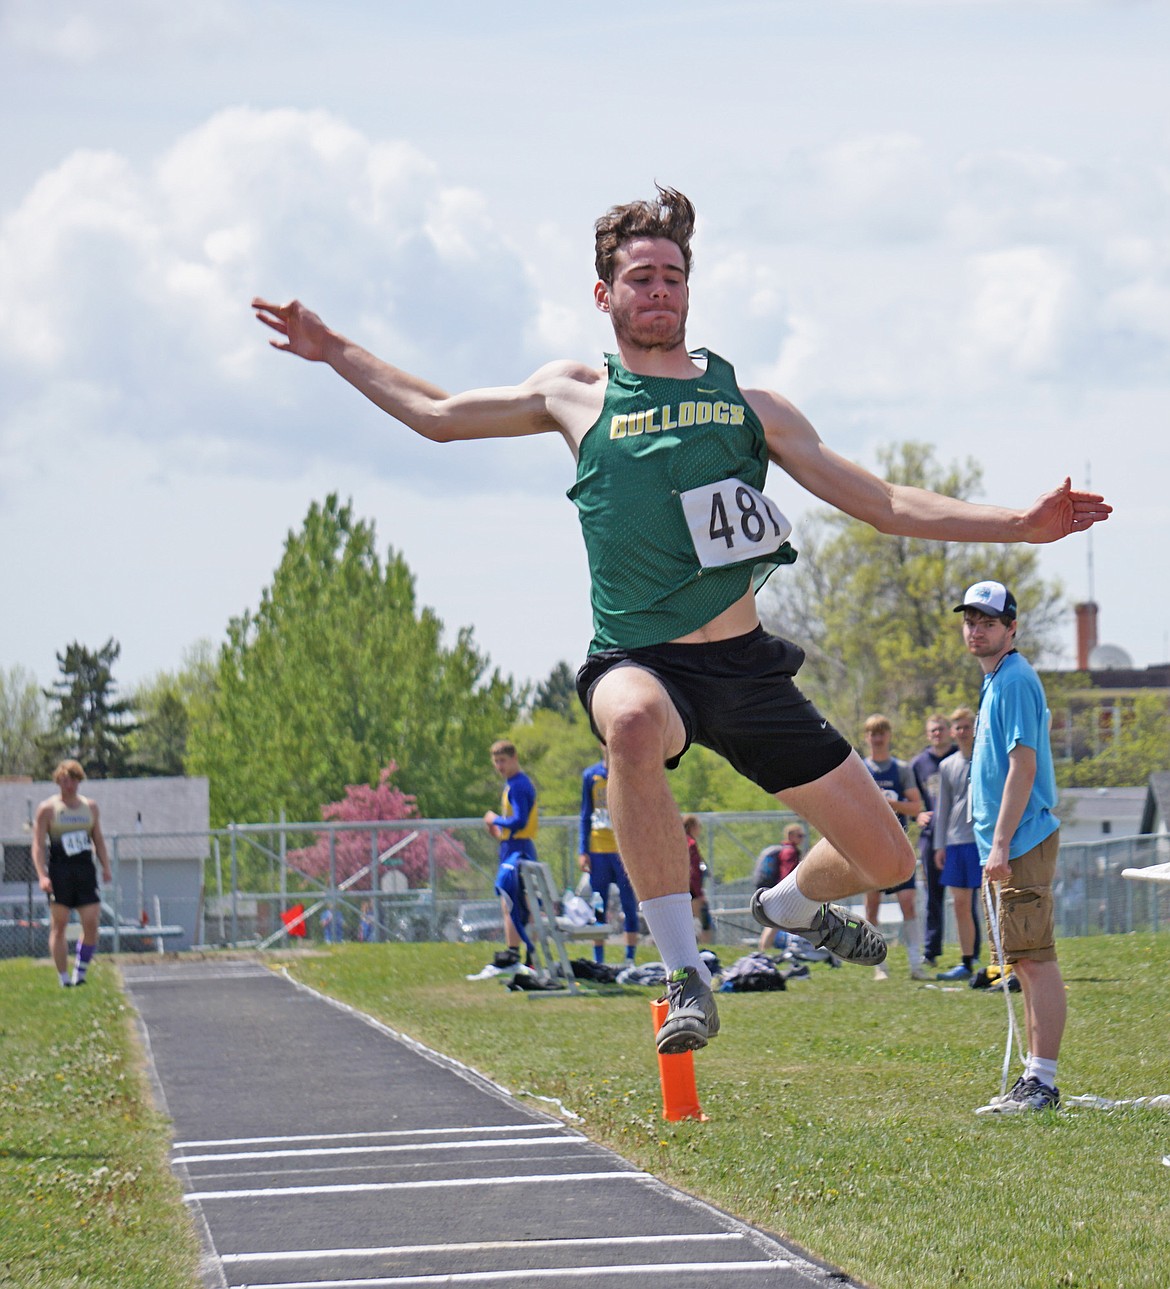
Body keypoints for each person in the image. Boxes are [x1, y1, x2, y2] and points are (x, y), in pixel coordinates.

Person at [253, 184, 1109, 1056]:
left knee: (889, 859)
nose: (658, 290)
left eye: (672, 276)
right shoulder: (576, 394)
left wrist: (1020, 524)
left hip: (743, 666)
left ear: (689, 291)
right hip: (640, 659)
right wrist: (335, 352)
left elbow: (884, 500)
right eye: (639, 277)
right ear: (605, 295)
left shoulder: (752, 406)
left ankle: (790, 905)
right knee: (626, 721)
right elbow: (436, 417)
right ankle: (683, 972)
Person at [958, 581, 1065, 1112]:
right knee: (1022, 960)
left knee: (1035, 959)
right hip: (1004, 843)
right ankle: (1033, 1079)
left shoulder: (1016, 679)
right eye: (970, 621)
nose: (976, 630)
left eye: (987, 622)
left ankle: (1042, 1081)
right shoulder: (996, 680)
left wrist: (1000, 844)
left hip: (1021, 840)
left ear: (1011, 628)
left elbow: (1023, 767)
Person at [31, 760, 112, 987]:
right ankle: (63, 978)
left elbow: (98, 839)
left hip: (85, 870)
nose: (71, 785)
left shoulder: (90, 807)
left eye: (75, 780)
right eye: (66, 780)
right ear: (59, 781)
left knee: (91, 922)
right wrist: (42, 875)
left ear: (79, 781)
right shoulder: (48, 809)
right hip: (60, 872)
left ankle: (80, 971)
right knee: (60, 924)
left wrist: (106, 867)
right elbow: (37, 845)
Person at [861, 715, 928, 981]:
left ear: (888, 736)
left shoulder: (901, 769)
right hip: (869, 847)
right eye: (872, 734)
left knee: (908, 902)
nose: (877, 738)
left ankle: (915, 963)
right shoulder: (860, 768)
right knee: (872, 906)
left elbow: (915, 806)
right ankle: (878, 965)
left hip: (898, 845)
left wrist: (889, 804)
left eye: (881, 733)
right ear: (867, 737)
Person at [932, 707, 982, 980]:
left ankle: (1002, 959)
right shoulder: (947, 766)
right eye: (958, 728)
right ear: (952, 732)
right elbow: (943, 807)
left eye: (967, 726)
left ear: (975, 729)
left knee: (991, 904)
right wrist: (940, 845)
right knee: (960, 904)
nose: (963, 732)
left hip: (982, 840)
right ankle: (966, 961)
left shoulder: (988, 758)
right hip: (956, 842)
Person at [578, 749, 639, 965]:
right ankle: (598, 960)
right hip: (598, 850)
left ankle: (630, 957)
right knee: (598, 905)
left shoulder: (627, 772)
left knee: (628, 903)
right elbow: (585, 814)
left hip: (622, 851)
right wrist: (582, 850)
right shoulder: (591, 776)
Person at [484, 739, 539, 968]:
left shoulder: (518, 784)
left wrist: (493, 818)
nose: (499, 766)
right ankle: (519, 955)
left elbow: (519, 820)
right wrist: (499, 831)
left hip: (519, 850)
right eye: (496, 761)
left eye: (503, 761)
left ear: (514, 758)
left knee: (517, 903)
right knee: (514, 903)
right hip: (512, 847)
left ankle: (524, 956)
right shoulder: (512, 783)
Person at [911, 713, 957, 967]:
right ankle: (931, 951)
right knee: (933, 896)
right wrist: (918, 814)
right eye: (933, 730)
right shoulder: (918, 764)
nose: (937, 733)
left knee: (965, 896)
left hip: (960, 834)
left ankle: (969, 953)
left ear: (949, 731)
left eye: (941, 729)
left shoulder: (961, 758)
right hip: (931, 837)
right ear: (928, 735)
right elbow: (912, 799)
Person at [753, 823, 805, 952]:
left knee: (777, 920)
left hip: (778, 889)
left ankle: (764, 948)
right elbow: (787, 873)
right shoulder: (790, 851)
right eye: (799, 835)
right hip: (784, 890)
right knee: (776, 922)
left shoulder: (786, 850)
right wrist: (790, 889)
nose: (802, 838)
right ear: (791, 836)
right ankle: (764, 949)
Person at [682, 815, 714, 945]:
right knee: (703, 922)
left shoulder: (678, 841)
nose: (700, 829)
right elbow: (693, 871)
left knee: (685, 921)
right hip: (691, 890)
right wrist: (699, 894)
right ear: (692, 827)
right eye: (698, 826)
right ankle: (703, 949)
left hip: (680, 888)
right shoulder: (691, 843)